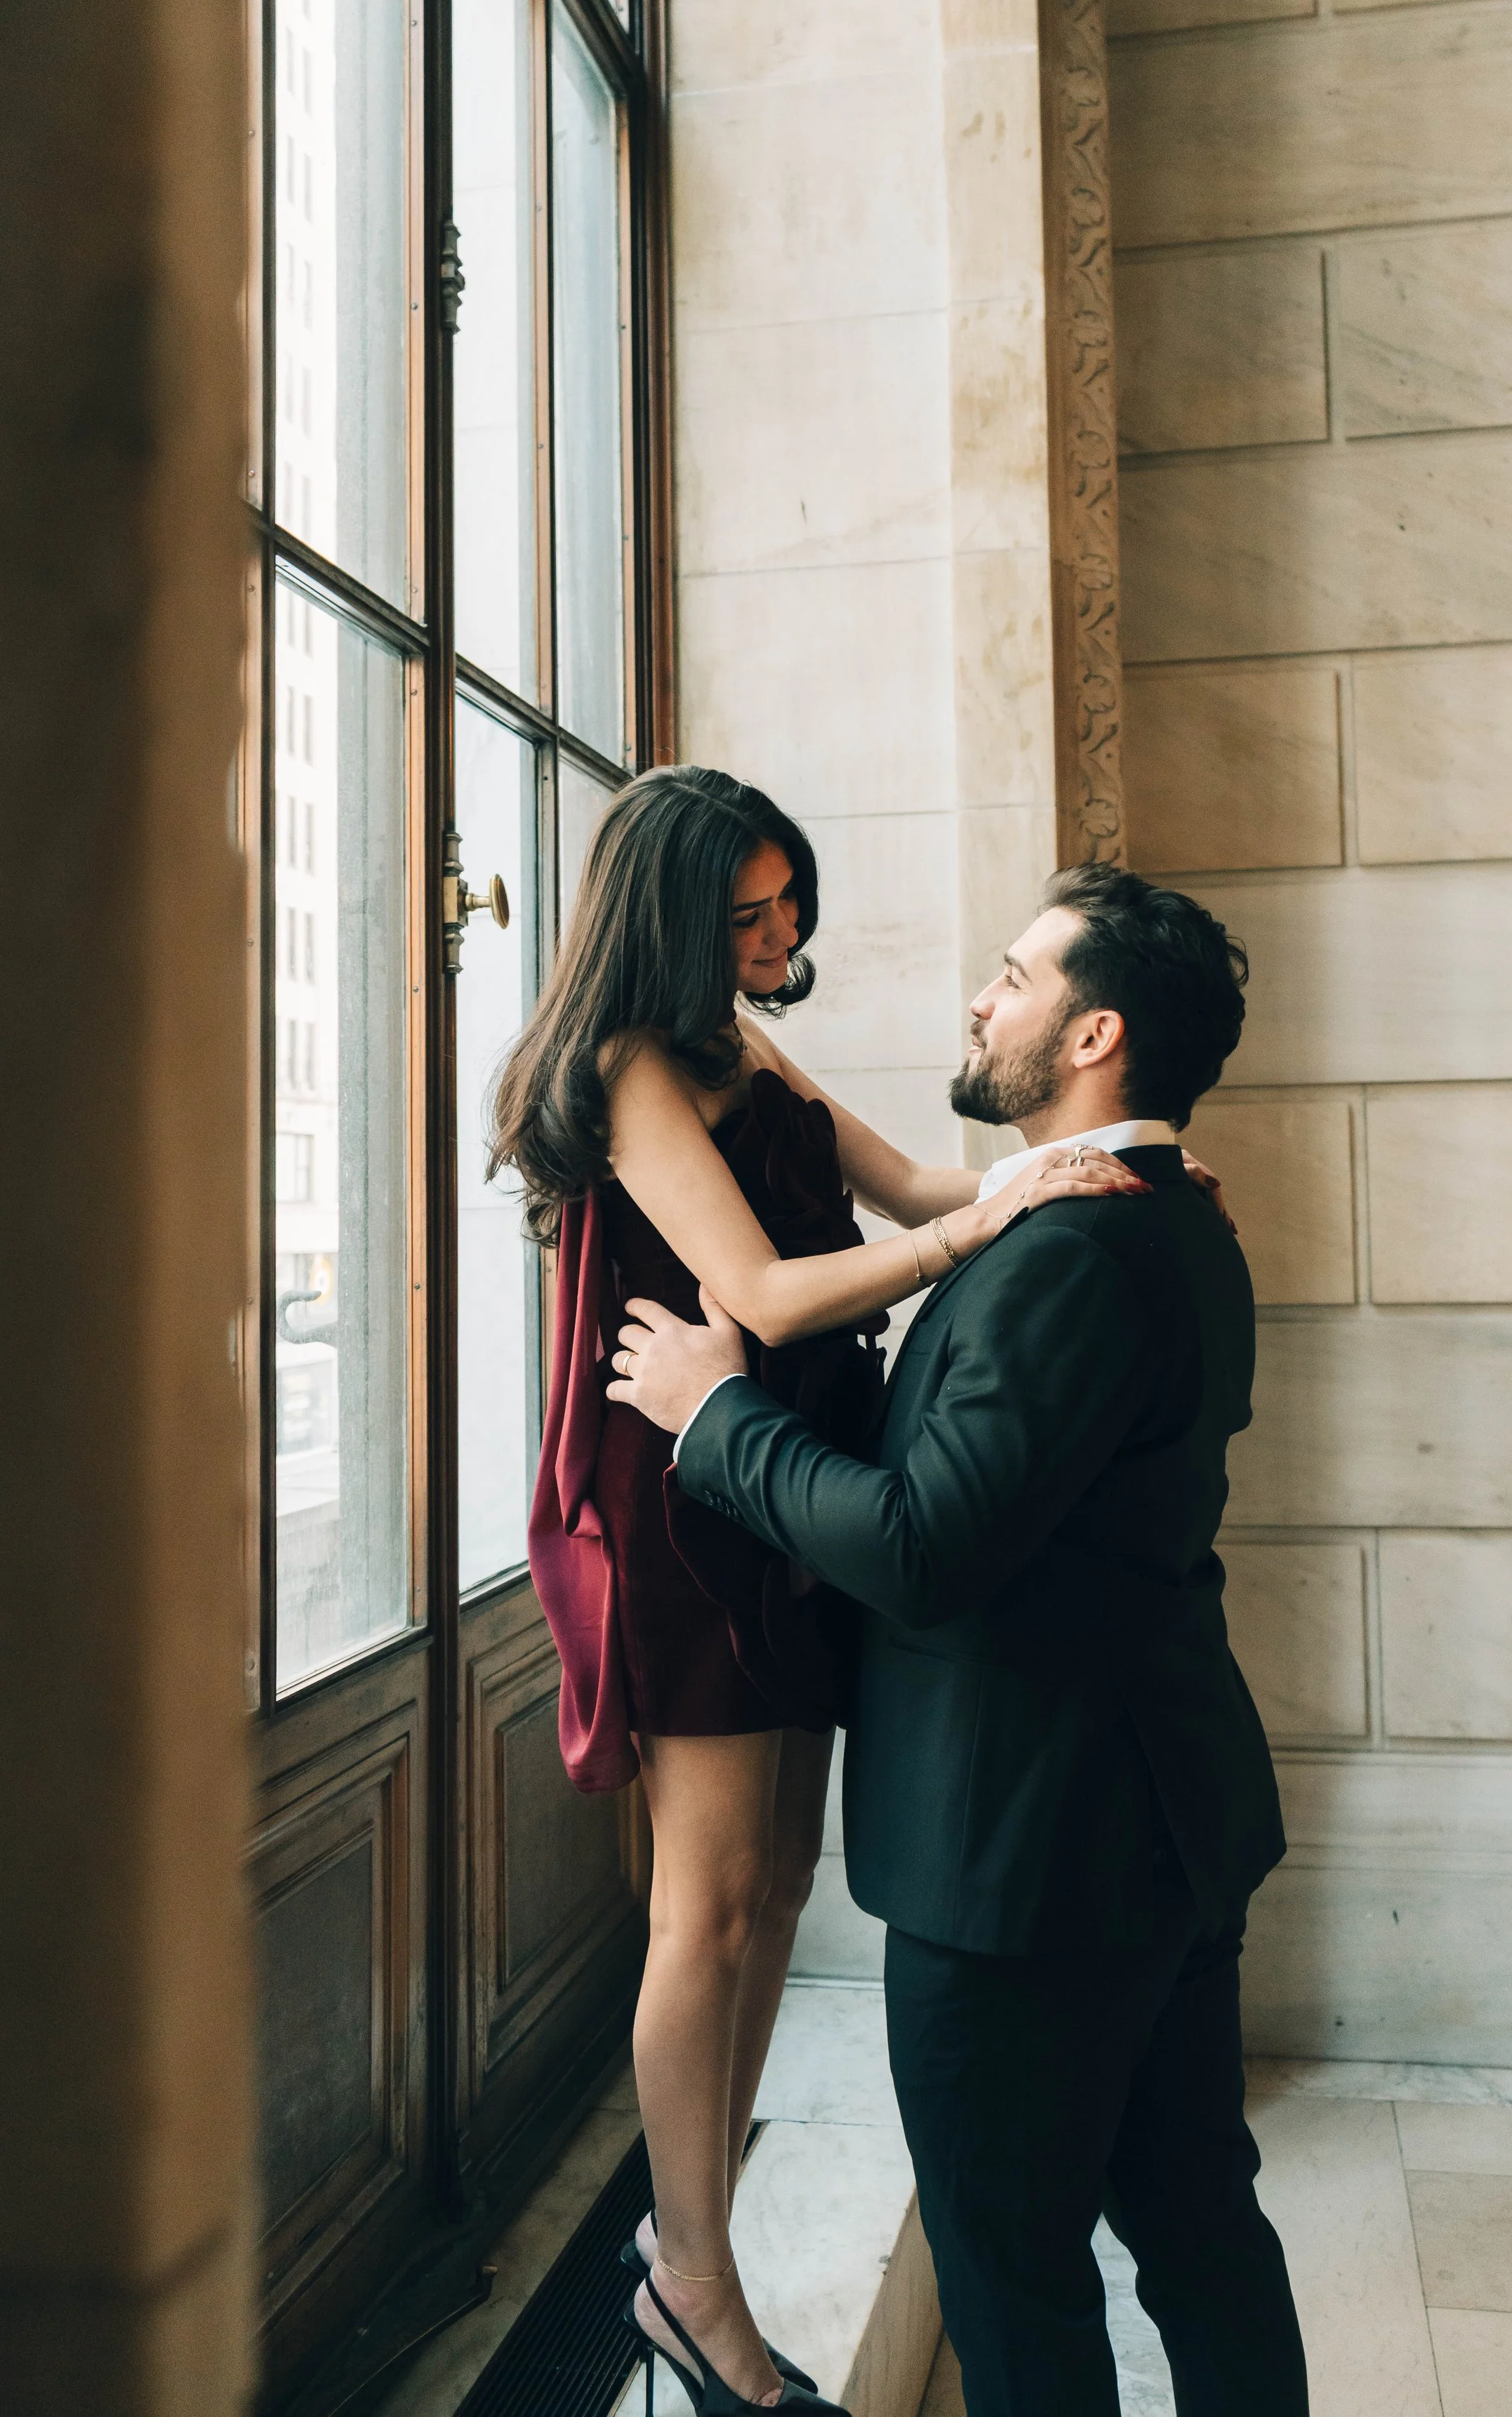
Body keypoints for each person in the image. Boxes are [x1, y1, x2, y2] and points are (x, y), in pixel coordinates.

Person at [489, 770, 1158, 2415]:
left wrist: (1098, 1165)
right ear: (669, 916)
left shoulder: (729, 1037)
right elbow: (773, 1292)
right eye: (748, 914)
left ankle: (689, 2242)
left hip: (785, 1488)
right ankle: (687, 2275)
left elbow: (925, 1189)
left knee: (781, 1883)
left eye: (791, 902)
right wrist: (988, 1224)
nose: (783, 936)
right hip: (689, 1499)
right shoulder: (629, 1060)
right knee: (703, 1905)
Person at [606, 863, 1310, 2417]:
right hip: (1152, 1826)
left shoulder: (1069, 1251)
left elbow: (925, 1547)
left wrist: (713, 1419)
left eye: (1012, 976)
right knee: (1199, 2230)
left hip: (1032, 1867)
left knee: (1017, 2289)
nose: (980, 997)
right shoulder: (1156, 1221)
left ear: (1091, 1035)